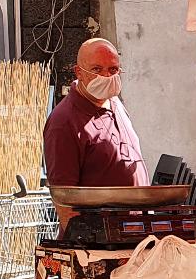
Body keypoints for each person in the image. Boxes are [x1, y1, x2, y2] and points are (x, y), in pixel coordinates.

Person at [43, 38, 148, 227]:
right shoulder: (64, 121)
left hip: (134, 231)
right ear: (79, 72)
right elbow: (64, 199)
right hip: (99, 236)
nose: (106, 76)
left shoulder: (115, 103)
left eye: (113, 70)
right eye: (97, 69)